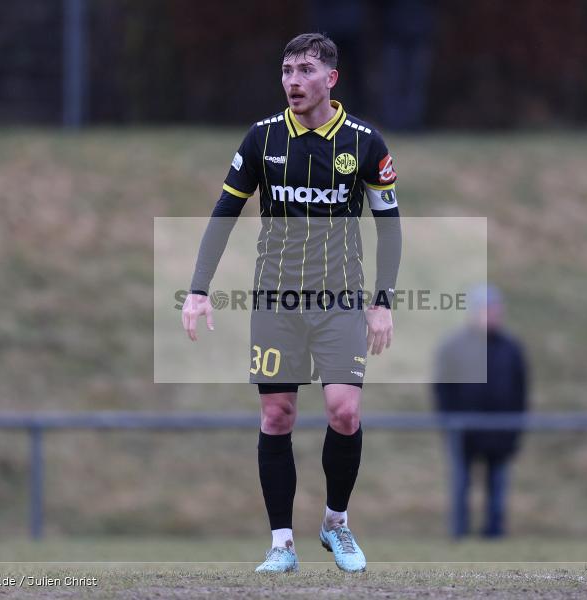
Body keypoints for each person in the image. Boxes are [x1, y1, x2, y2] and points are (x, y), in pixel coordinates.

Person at [181, 33, 402, 573]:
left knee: (344, 413)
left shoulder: (364, 142)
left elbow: (389, 227)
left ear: (331, 78)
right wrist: (198, 289)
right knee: (277, 415)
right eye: (285, 70)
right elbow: (223, 212)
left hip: (339, 301)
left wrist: (382, 301)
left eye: (305, 69)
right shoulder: (261, 139)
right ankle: (281, 543)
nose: (292, 81)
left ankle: (336, 524)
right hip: (276, 300)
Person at [433, 284, 528, 539]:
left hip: (500, 434)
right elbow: (442, 389)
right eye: (488, 310)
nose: (493, 315)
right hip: (463, 433)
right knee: (461, 485)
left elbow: (521, 390)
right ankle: (459, 533)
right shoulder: (455, 347)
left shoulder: (511, 349)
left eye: (496, 310)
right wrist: (448, 424)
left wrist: (515, 429)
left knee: (497, 487)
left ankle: (494, 533)